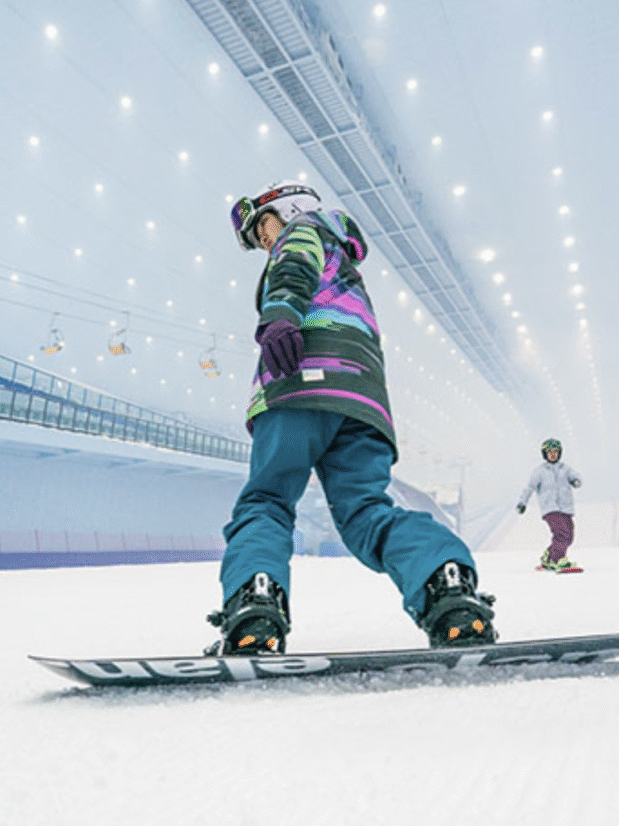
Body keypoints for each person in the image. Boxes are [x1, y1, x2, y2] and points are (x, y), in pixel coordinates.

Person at [206, 180, 496, 655]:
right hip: (362, 401)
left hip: (297, 384)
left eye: (263, 224)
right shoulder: (343, 261)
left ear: (288, 209)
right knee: (367, 513)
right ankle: (447, 589)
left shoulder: (301, 231)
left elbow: (292, 266)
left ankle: (254, 607)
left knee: (267, 501)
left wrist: (279, 315)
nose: (263, 239)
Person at [515, 438, 582, 571]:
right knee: (561, 534)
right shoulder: (539, 471)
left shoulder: (565, 468)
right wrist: (522, 503)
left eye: (556, 452)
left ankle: (549, 557)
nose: (553, 455)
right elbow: (529, 487)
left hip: (566, 508)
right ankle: (558, 560)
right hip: (550, 508)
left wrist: (575, 481)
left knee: (569, 536)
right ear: (545, 454)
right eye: (550, 452)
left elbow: (576, 476)